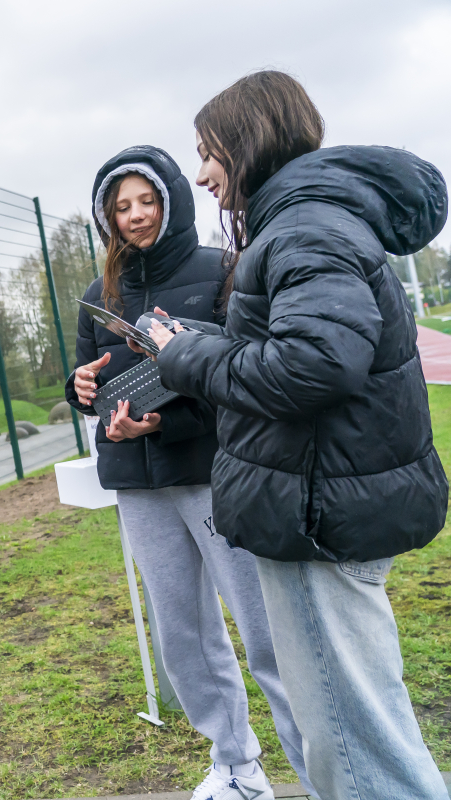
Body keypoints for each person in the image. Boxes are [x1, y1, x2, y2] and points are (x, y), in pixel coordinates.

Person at [148, 70, 449, 800]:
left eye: (208, 151)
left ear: (247, 141)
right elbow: (302, 345)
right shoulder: (308, 220)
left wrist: (185, 356)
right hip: (323, 503)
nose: (201, 173)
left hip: (317, 516)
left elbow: (315, 364)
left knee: (355, 751)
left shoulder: (305, 225)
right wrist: (206, 340)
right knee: (362, 734)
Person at [66, 146, 310, 800]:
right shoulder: (99, 294)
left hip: (213, 476)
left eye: (147, 201)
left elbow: (244, 379)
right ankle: (237, 766)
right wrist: (80, 388)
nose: (136, 216)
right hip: (139, 489)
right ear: (106, 217)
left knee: (265, 636)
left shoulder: (222, 271)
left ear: (172, 200)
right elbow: (94, 384)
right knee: (184, 636)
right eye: (122, 207)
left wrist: (167, 426)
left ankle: (319, 771)